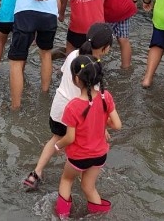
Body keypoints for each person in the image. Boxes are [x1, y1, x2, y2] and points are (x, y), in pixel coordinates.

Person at [22, 23, 113, 191]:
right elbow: (96, 100)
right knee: (78, 145)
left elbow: (67, 76)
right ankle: (75, 178)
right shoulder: (95, 68)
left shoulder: (73, 55)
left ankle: (36, 173)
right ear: (105, 48)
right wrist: (104, 126)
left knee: (56, 139)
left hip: (58, 109)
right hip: (77, 113)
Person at [53, 55, 122, 218]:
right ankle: (100, 215)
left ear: (76, 79)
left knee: (66, 180)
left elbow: (70, 138)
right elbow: (118, 125)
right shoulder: (106, 96)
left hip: (79, 157)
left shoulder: (72, 106)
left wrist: (57, 146)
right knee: (88, 187)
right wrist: (103, 123)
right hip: (99, 155)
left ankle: (62, 216)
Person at [8, 0, 65, 110]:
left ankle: (15, 107)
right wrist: (56, 15)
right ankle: (44, 96)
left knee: (17, 60)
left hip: (25, 12)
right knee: (46, 53)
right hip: (49, 14)